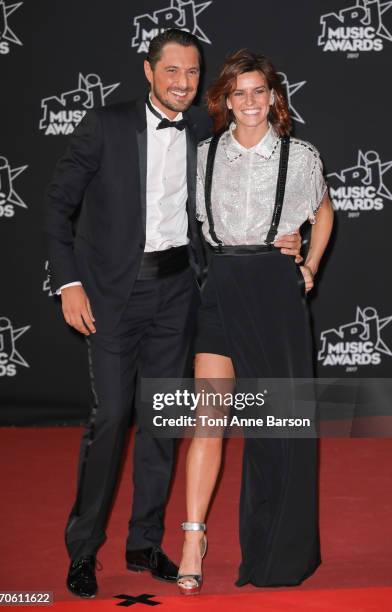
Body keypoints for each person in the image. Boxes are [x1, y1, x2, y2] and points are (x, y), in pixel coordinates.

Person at [44, 31, 302, 599]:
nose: (183, 82)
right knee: (112, 416)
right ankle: (83, 550)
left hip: (177, 295)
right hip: (111, 296)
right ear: (148, 71)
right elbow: (58, 206)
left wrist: (291, 241)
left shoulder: (205, 134)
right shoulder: (106, 125)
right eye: (172, 72)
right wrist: (69, 282)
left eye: (192, 73)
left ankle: (144, 542)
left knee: (163, 422)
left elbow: (255, 190)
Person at [177, 50, 334, 595]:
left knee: (279, 430)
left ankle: (279, 552)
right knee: (207, 418)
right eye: (237, 93)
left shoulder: (300, 155)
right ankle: (192, 539)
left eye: (257, 91)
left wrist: (308, 262)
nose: (248, 102)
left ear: (274, 98)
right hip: (221, 287)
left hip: (274, 289)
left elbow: (325, 209)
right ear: (225, 100)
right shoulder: (203, 155)